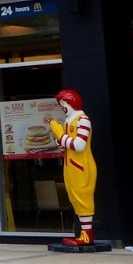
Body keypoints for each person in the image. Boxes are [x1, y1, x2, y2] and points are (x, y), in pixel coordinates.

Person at [48, 88, 97, 247]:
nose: (62, 106)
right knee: (75, 199)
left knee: (83, 199)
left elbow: (79, 145)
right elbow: (64, 147)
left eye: (63, 103)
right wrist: (58, 138)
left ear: (71, 102)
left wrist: (61, 136)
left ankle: (87, 235)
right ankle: (84, 234)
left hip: (82, 166)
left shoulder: (83, 120)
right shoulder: (68, 121)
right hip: (70, 166)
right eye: (60, 104)